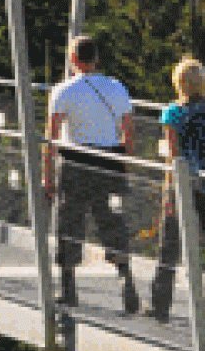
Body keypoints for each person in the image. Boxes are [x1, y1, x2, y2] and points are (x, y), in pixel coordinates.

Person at [45, 33, 139, 312]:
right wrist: (125, 161)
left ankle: (69, 287)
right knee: (112, 222)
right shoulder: (116, 87)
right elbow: (128, 128)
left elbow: (51, 136)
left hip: (74, 159)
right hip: (109, 159)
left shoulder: (63, 90)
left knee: (70, 221)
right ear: (96, 59)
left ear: (73, 60)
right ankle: (126, 281)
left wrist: (47, 176)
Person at [148, 57, 205, 331]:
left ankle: (160, 308)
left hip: (187, 184)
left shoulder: (173, 114)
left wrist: (169, 195)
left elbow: (173, 158)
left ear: (180, 84)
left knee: (170, 244)